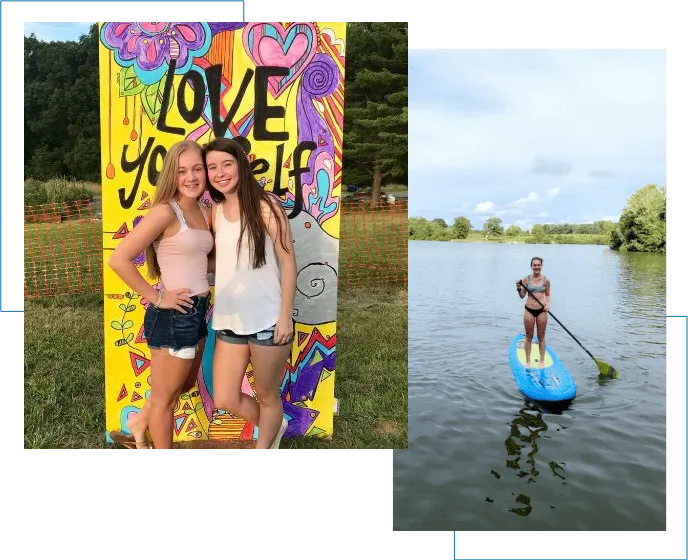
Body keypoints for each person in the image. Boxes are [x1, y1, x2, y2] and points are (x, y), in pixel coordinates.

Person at [108, 140, 214, 450]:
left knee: (183, 384)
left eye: (197, 169)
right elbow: (118, 259)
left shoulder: (204, 209)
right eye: (182, 171)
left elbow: (201, 260)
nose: (191, 177)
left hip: (198, 309)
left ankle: (140, 421)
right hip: (173, 315)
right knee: (166, 400)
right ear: (172, 174)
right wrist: (157, 297)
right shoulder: (166, 212)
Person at [203, 137, 296, 451]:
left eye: (226, 164)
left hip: (269, 320)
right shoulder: (215, 210)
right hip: (229, 319)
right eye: (212, 167)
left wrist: (285, 317)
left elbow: (287, 260)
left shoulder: (265, 205)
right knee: (226, 396)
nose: (220, 172)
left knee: (267, 395)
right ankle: (275, 426)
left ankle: (265, 447)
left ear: (240, 165)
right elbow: (222, 259)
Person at [516, 257, 550, 369]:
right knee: (529, 337)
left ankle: (541, 361)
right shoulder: (526, 280)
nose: (536, 267)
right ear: (531, 266)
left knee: (541, 337)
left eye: (538, 265)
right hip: (529, 310)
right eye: (534, 265)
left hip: (542, 311)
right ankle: (528, 361)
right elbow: (521, 296)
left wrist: (547, 304)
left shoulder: (546, 281)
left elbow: (548, 294)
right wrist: (518, 287)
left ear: (541, 266)